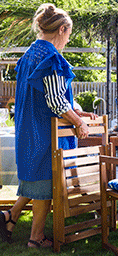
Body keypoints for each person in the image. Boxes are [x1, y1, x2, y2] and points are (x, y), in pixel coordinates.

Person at [0, 3, 97, 248]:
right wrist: (79, 123)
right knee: (45, 181)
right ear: (62, 29)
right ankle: (36, 238)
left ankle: (8, 218)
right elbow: (54, 101)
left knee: (35, 177)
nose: (67, 40)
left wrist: (76, 110)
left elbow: (46, 95)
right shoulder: (51, 58)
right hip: (45, 131)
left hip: (28, 126)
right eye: (69, 34)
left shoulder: (29, 55)